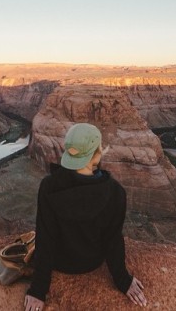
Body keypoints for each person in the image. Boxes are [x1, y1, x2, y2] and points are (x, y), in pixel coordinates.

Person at [24, 123, 147, 310]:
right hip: (92, 262)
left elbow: (45, 238)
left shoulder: (48, 186)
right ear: (97, 154)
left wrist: (38, 290)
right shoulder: (116, 193)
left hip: (60, 262)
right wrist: (123, 280)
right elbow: (113, 241)